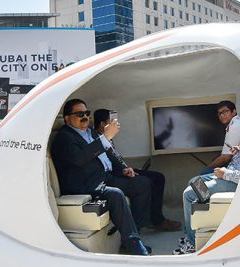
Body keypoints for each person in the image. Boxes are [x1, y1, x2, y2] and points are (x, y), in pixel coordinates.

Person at [50, 99, 149, 255]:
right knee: (116, 194)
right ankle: (133, 244)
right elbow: (79, 158)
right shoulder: (65, 137)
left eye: (87, 113)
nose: (85, 117)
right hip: (84, 184)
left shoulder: (89, 132)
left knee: (143, 184)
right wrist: (105, 137)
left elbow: (107, 154)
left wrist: (123, 169)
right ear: (67, 118)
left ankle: (133, 233)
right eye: (79, 114)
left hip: (103, 177)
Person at [93, 109, 181, 232]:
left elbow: (116, 157)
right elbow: (108, 161)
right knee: (145, 182)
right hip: (113, 174)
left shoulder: (109, 137)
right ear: (103, 124)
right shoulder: (97, 139)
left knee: (158, 177)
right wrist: (123, 169)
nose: (116, 124)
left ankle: (156, 218)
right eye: (112, 121)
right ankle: (155, 221)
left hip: (120, 169)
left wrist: (126, 168)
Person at [174, 145, 240, 255]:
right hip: (231, 174)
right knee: (193, 181)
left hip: (237, 182)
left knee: (189, 194)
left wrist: (226, 174)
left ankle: (193, 244)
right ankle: (195, 233)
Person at [201, 100, 240, 174]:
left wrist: (206, 168)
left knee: (201, 176)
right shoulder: (236, 123)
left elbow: (225, 158)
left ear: (233, 112)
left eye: (225, 111)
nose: (222, 115)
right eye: (219, 113)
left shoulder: (234, 126)